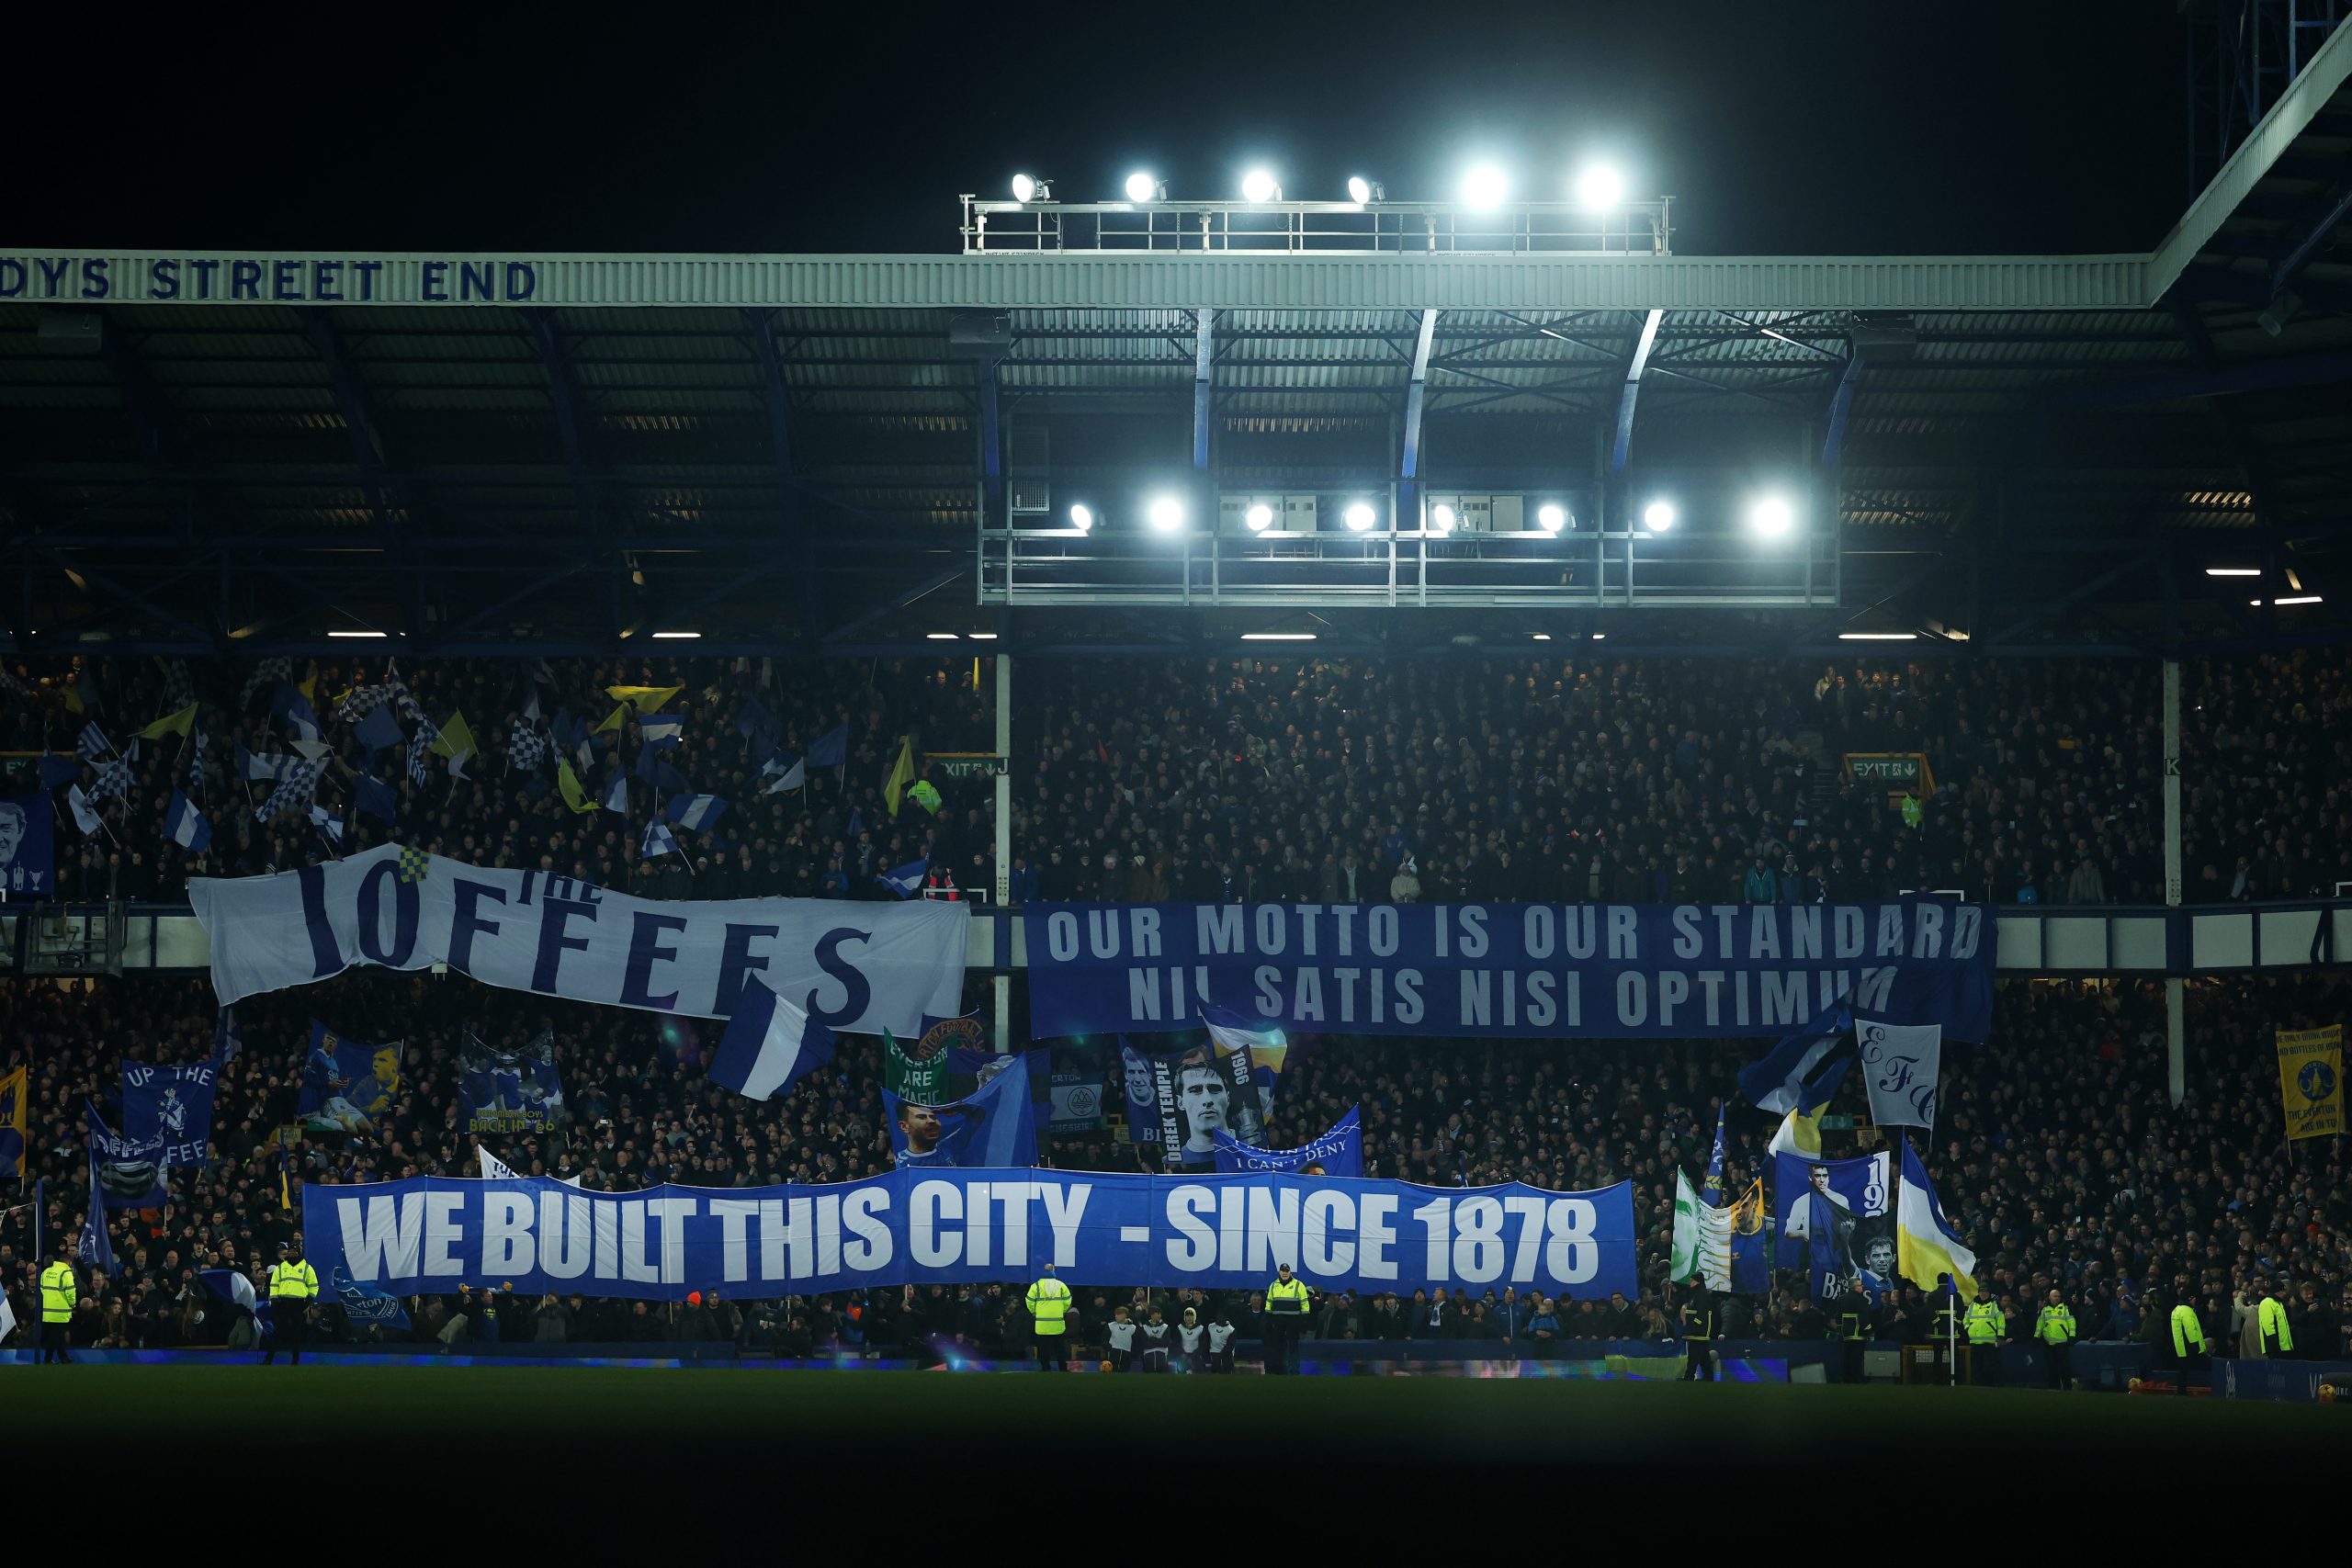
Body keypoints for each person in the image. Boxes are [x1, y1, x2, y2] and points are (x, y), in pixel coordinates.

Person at [263, 1238, 318, 1365]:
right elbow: (274, 1284)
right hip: (282, 1303)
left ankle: (295, 1360)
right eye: (291, 1251)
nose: (293, 1253)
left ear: (299, 1252)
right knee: (277, 1332)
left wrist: (308, 1301)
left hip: (298, 1304)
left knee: (296, 1333)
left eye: (295, 1251)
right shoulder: (281, 1267)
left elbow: (314, 1286)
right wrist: (275, 1299)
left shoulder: (307, 1268)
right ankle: (269, 1359)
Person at [1262, 1260, 1311, 1374]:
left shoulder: (1299, 1285)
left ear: (1290, 1272)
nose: (1284, 1273)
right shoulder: (1273, 1285)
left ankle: (1294, 1370)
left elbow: (1305, 1304)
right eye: (1283, 1271)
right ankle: (1279, 1369)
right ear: (1279, 1272)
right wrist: (1267, 1318)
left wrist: (1304, 1320)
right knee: (1278, 1346)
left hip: (1293, 1321)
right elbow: (1269, 1303)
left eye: (1286, 1271)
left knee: (1293, 1346)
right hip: (1278, 1321)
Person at [1023, 1260, 1071, 1371]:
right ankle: (1063, 1368)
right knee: (1060, 1348)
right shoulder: (1061, 1285)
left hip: (1042, 1323)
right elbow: (1068, 1301)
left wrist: (1035, 1312)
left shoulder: (1036, 1286)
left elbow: (1029, 1301)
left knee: (1043, 1348)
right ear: (1053, 1271)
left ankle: (1045, 1368)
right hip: (1057, 1323)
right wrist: (1061, 1311)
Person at [37, 1251, 75, 1364]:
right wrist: (72, 1304)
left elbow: (42, 1289)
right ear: (68, 1262)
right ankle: (47, 1358)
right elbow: (70, 1291)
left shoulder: (46, 1271)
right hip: (61, 1310)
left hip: (47, 1310)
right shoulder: (66, 1272)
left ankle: (63, 1357)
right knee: (55, 1336)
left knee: (55, 1335)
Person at [2034, 1288, 2077, 1390]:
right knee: (2051, 1368)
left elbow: (2072, 1323)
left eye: (2058, 1296)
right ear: (2049, 1297)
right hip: (2049, 1344)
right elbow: (2040, 1324)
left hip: (2062, 1343)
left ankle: (2067, 1388)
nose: (2057, 1298)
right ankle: (2054, 1388)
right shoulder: (2045, 1310)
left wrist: (2072, 1336)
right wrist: (2036, 1337)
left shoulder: (2065, 1308)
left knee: (2064, 1368)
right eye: (2055, 1296)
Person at [1962, 1289, 2006, 1387]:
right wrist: (1968, 1329)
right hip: (1975, 1341)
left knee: (1990, 1366)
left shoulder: (1995, 1305)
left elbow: (2001, 1321)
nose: (1983, 1293)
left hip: (1989, 1341)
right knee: (1977, 1366)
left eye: (1986, 1291)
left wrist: (2000, 1336)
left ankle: (1990, 1385)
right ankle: (1978, 1385)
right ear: (1978, 1293)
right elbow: (1966, 1319)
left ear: (1989, 1293)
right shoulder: (1972, 1305)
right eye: (1981, 1291)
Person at [2168, 1292, 2210, 1394]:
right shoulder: (2186, 1311)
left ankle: (2181, 1391)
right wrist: (2196, 1346)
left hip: (2181, 1346)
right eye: (2194, 1298)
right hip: (2189, 1346)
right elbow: (2190, 1329)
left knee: (2183, 1370)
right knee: (2208, 1363)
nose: (2195, 1300)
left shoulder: (2176, 1310)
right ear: (2190, 1298)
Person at [1680, 1288, 1717, 1382]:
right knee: (1703, 1355)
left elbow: (1700, 1316)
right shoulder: (1699, 1297)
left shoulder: (1702, 1298)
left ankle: (1689, 1376)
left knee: (1694, 1355)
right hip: (1701, 1331)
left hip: (1698, 1331)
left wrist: (1693, 1322)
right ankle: (1708, 1376)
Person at [1836, 1292, 1869, 1383]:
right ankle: (1857, 1378)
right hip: (1859, 1335)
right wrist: (1868, 1329)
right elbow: (1864, 1318)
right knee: (1857, 1358)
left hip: (1846, 1334)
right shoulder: (1862, 1300)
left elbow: (1838, 1317)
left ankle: (1847, 1378)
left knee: (1847, 1357)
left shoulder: (1841, 1299)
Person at [2258, 1280, 2294, 1359]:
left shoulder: (2279, 1303)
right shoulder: (2266, 1303)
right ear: (2277, 1291)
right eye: (2283, 1291)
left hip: (2285, 1347)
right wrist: (2274, 1346)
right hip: (2276, 1348)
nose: (2284, 1293)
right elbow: (2268, 1326)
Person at [1103, 1304, 1136, 1372]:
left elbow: (1136, 1341)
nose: (1116, 1316)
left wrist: (1132, 1353)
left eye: (1118, 1314)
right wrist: (1110, 1349)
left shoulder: (1133, 1328)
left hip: (1127, 1353)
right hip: (1113, 1353)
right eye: (1116, 1314)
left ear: (1125, 1315)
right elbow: (1104, 1339)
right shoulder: (1110, 1326)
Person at [1174, 1306, 1204, 1373]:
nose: (1189, 1317)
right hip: (1183, 1356)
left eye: (1191, 1315)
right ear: (1185, 1317)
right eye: (1187, 1315)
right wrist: (1182, 1353)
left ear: (1194, 1316)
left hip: (1196, 1356)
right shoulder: (1179, 1328)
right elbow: (1176, 1343)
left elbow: (1203, 1345)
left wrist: (1194, 1356)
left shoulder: (1200, 1328)